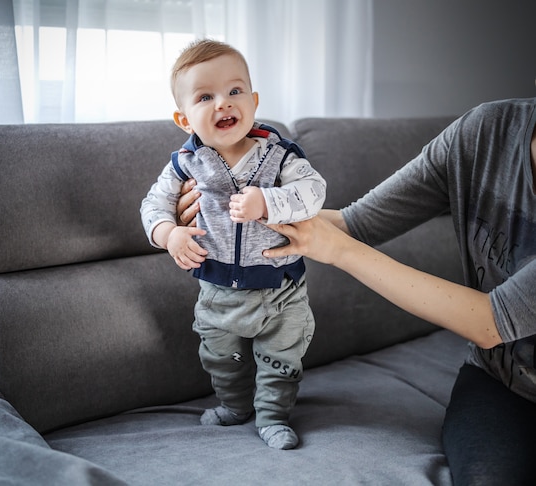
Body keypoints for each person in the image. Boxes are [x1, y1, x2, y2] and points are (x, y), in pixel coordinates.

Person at [179, 96, 536, 483]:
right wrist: (228, 217)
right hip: (501, 381)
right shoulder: (486, 132)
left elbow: (491, 323)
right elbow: (359, 221)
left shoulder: (281, 156)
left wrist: (339, 251)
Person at [140, 39, 327, 450]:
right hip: (218, 293)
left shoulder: (280, 157)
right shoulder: (184, 164)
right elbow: (152, 204)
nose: (223, 103)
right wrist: (167, 232)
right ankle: (236, 405)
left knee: (280, 361)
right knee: (224, 360)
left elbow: (315, 191)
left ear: (254, 101)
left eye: (234, 91)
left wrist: (270, 202)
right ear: (184, 118)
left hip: (281, 292)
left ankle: (274, 416)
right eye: (205, 96)